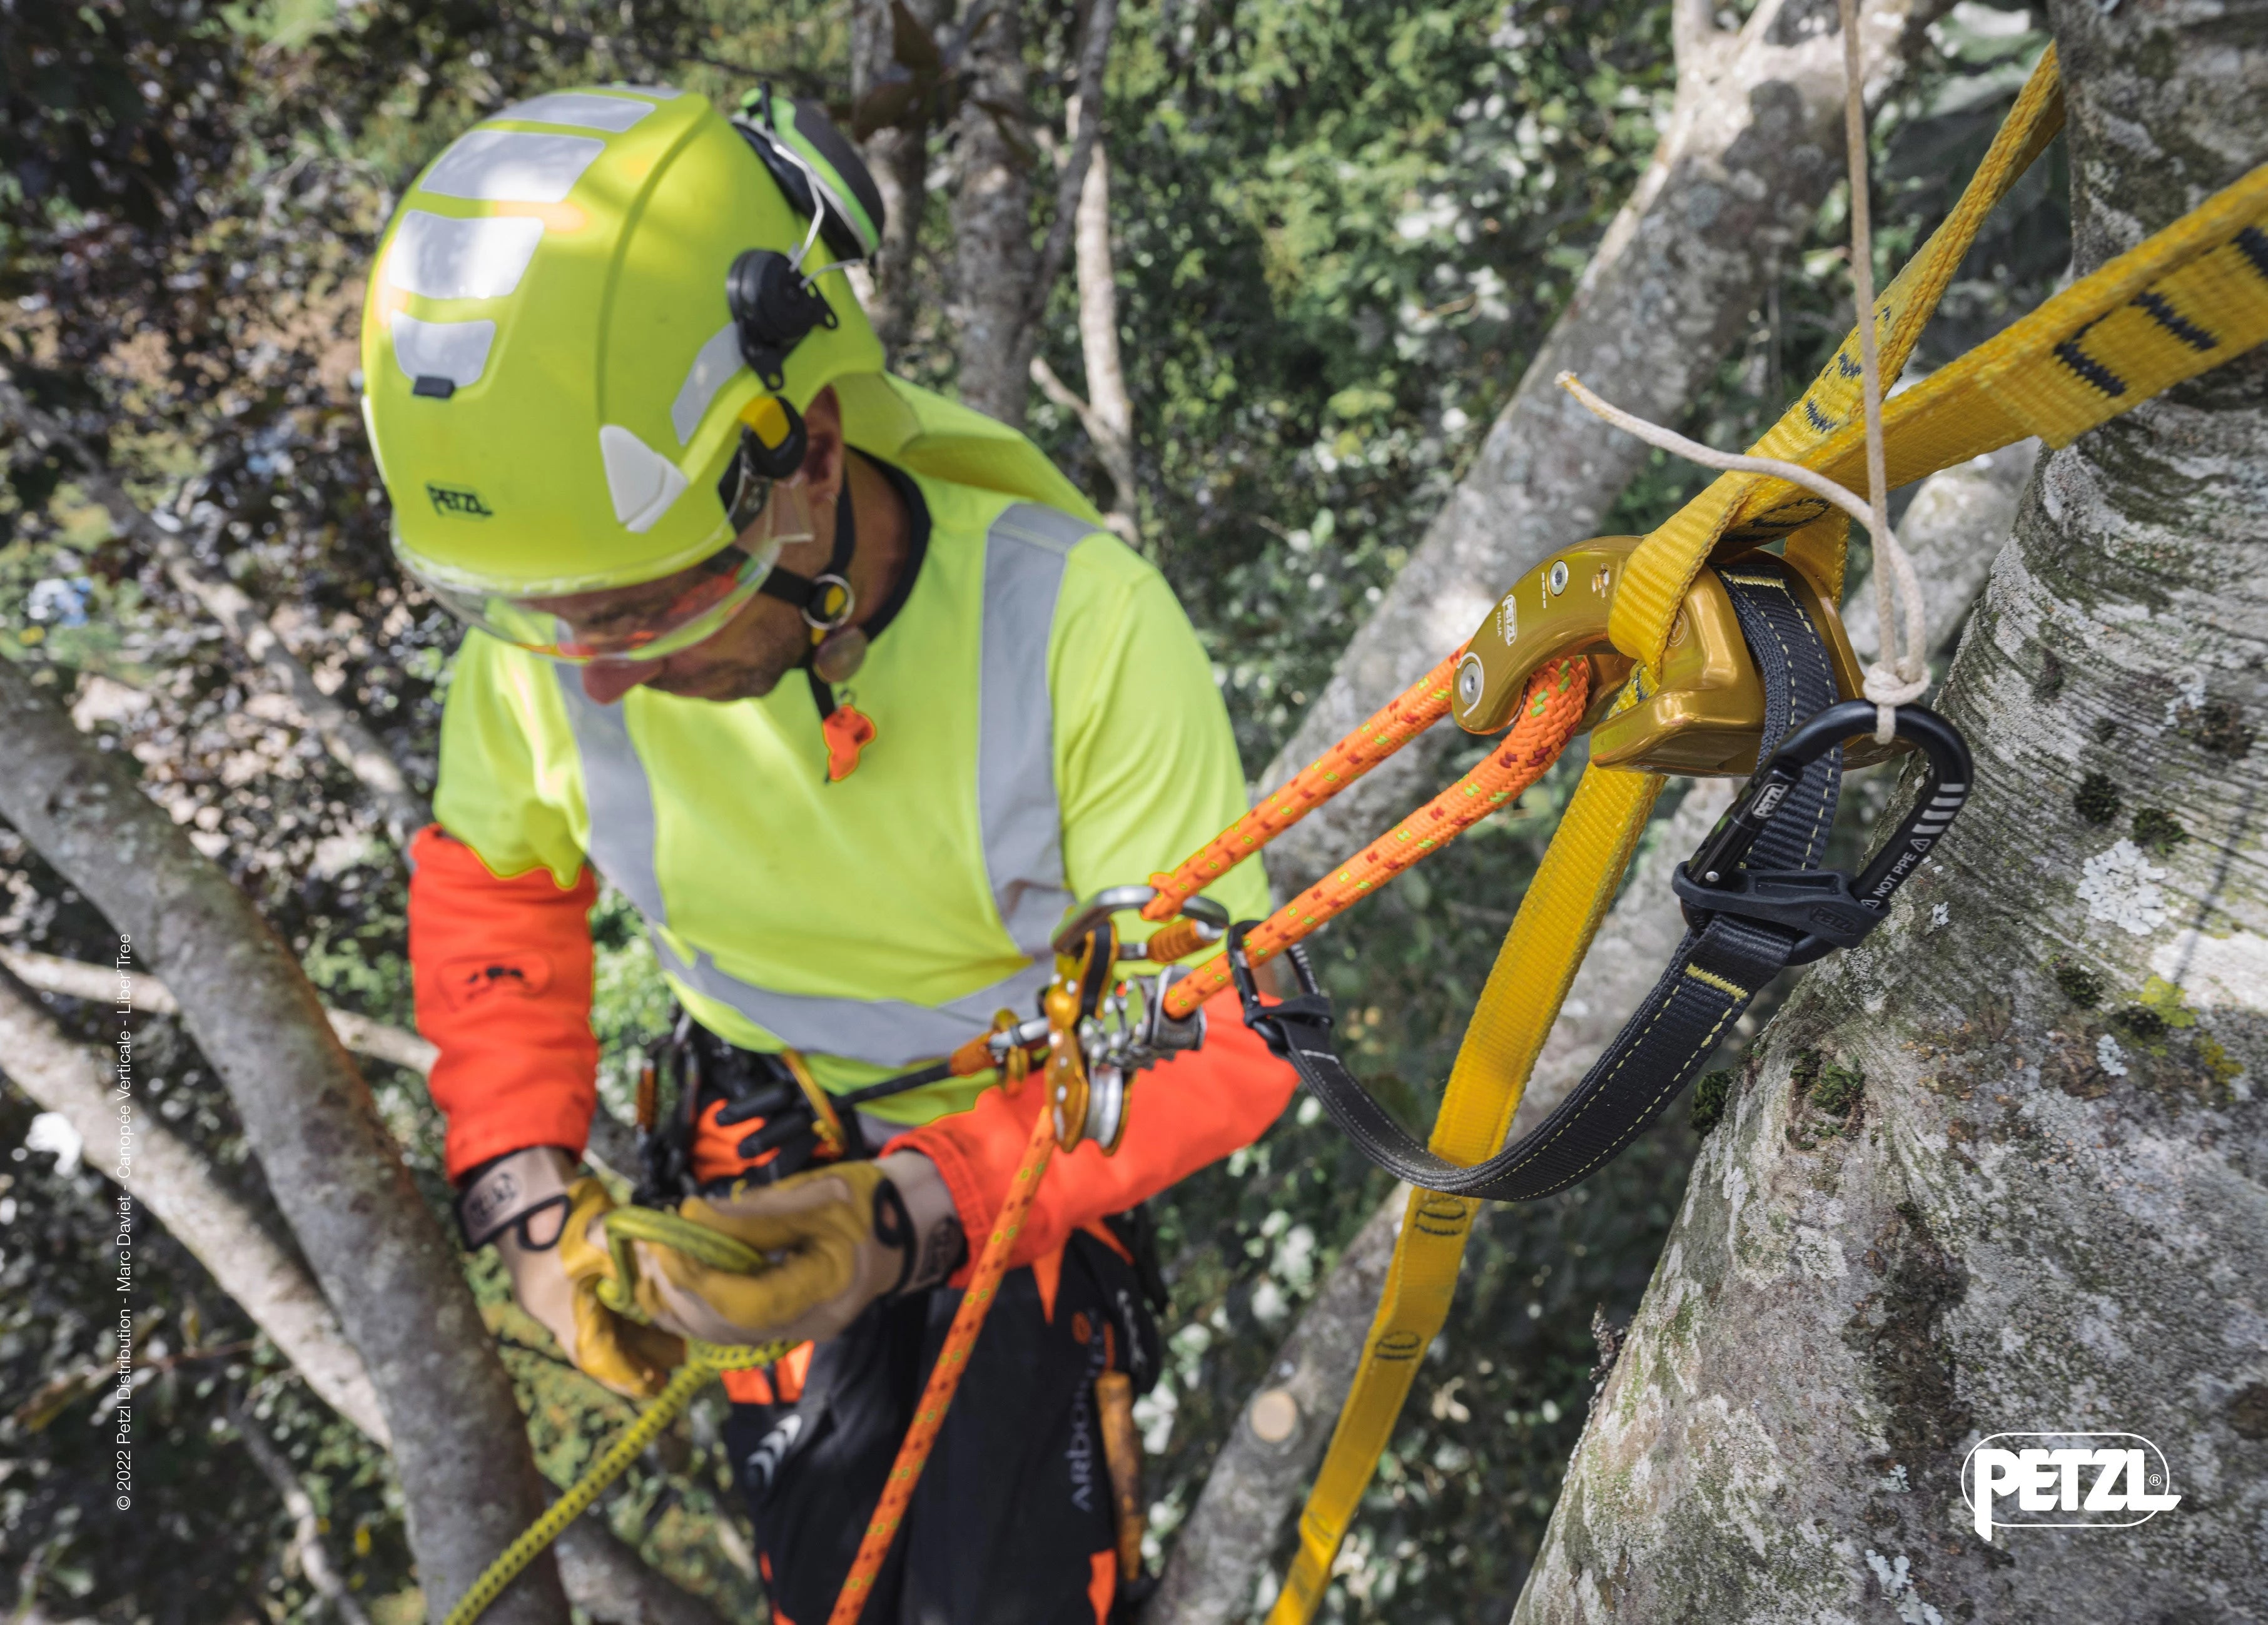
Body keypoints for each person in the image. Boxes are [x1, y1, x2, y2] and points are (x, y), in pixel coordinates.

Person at [358, 81, 1294, 1624]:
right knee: (823, 1581)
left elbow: (1222, 1031)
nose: (594, 674)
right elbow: (495, 889)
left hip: (1032, 1140)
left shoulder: (1072, 626)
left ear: (807, 459)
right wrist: (528, 1196)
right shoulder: (561, 617)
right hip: (759, 1120)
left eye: (649, 613)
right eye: (549, 622)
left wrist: (916, 1210)